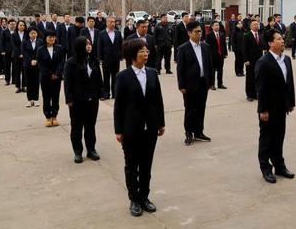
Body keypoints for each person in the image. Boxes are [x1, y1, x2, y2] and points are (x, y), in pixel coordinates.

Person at [114, 39, 165, 217]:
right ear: (132, 55)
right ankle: (134, 199)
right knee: (131, 165)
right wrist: (118, 130)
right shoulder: (122, 77)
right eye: (142, 51)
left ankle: (144, 196)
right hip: (131, 128)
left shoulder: (152, 73)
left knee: (146, 164)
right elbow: (119, 106)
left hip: (150, 127)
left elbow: (158, 100)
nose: (146, 54)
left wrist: (161, 122)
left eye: (146, 51)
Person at [255, 29, 296, 184]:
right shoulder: (264, 62)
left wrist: (290, 102)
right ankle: (266, 168)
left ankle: (279, 166)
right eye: (278, 39)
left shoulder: (286, 60)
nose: (282, 40)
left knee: (279, 137)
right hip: (269, 109)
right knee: (266, 139)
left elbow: (289, 83)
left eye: (282, 38)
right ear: (270, 43)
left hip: (281, 107)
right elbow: (261, 88)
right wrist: (263, 110)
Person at [64, 37, 103, 163]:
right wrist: (69, 99)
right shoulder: (71, 62)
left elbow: (99, 78)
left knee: (90, 126)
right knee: (76, 127)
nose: (89, 46)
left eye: (90, 43)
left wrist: (100, 92)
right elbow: (68, 82)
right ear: (79, 46)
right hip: (77, 100)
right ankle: (78, 151)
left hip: (92, 99)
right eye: (86, 44)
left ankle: (91, 149)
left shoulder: (94, 60)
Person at [177, 21, 213, 145]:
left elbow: (209, 65)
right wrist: (181, 85)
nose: (199, 34)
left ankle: (199, 132)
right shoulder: (183, 48)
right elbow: (180, 69)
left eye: (200, 31)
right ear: (189, 33)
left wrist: (211, 82)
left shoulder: (205, 46)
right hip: (189, 85)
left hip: (203, 83)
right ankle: (188, 133)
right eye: (196, 32)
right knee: (190, 109)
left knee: (201, 108)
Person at [36, 30, 65, 127]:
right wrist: (50, 74)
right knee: (46, 97)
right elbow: (40, 64)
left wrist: (57, 73)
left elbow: (61, 62)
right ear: (45, 38)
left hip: (57, 77)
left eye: (53, 37)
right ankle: (48, 117)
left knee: (56, 97)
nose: (51, 39)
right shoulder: (40, 49)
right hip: (45, 77)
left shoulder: (59, 48)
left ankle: (54, 116)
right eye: (49, 37)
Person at [97, 16, 124, 99]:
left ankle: (115, 93)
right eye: (110, 22)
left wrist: (121, 55)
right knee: (106, 77)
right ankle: (106, 94)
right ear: (106, 23)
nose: (112, 24)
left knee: (115, 77)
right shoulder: (101, 33)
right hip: (106, 59)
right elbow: (99, 46)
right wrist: (100, 58)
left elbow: (121, 45)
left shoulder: (118, 33)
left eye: (113, 22)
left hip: (116, 59)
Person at [243, 19, 264, 101]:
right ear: (250, 26)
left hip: (259, 60)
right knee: (250, 78)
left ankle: (255, 94)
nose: (256, 26)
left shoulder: (260, 35)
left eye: (257, 24)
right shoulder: (247, 35)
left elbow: (261, 46)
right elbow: (244, 49)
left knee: (257, 77)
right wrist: (245, 60)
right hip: (250, 60)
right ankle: (249, 95)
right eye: (254, 24)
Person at [21, 27, 42, 108]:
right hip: (27, 64)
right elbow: (24, 52)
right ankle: (30, 100)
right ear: (28, 34)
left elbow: (41, 52)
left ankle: (36, 99)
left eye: (35, 33)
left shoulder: (40, 41)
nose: (33, 35)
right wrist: (30, 61)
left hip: (37, 64)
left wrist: (36, 60)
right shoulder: (24, 41)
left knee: (36, 82)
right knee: (29, 82)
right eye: (31, 33)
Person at [205, 20, 227, 90]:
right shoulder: (209, 35)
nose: (217, 27)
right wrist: (208, 56)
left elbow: (224, 44)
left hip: (221, 55)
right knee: (212, 70)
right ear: (212, 27)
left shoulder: (222, 34)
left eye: (218, 25)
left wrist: (225, 53)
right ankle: (212, 84)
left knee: (220, 70)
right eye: (216, 25)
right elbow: (207, 47)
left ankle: (220, 84)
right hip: (212, 56)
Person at [11, 20, 27, 93]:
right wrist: (19, 54)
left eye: (23, 25)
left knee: (24, 71)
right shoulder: (14, 34)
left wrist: (23, 54)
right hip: (16, 56)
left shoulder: (27, 34)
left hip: (25, 56)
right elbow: (13, 45)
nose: (22, 27)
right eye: (20, 25)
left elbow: (27, 45)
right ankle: (18, 87)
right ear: (17, 26)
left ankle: (24, 86)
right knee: (17, 71)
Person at [0, 19, 16, 86]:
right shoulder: (4, 31)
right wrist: (2, 50)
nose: (13, 25)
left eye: (14, 24)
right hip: (7, 52)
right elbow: (2, 42)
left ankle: (14, 80)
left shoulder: (16, 31)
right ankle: (7, 80)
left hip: (15, 52)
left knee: (15, 66)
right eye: (11, 24)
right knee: (7, 66)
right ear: (8, 24)